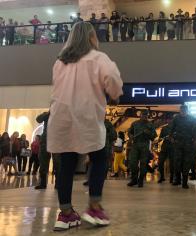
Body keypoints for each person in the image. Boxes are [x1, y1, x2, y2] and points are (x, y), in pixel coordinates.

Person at [47, 22, 123, 231]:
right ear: (92, 38)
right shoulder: (98, 58)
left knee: (66, 164)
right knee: (99, 158)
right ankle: (94, 207)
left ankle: (66, 214)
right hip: (86, 116)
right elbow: (113, 81)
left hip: (61, 118)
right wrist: (115, 95)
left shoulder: (60, 62)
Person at [127, 110, 157, 188]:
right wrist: (131, 137)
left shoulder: (150, 125)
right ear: (140, 115)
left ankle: (140, 180)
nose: (145, 116)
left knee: (143, 164)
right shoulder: (135, 123)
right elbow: (129, 132)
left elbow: (153, 137)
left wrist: (148, 133)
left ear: (148, 116)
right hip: (135, 146)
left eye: (146, 115)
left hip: (145, 146)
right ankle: (134, 179)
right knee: (133, 163)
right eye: (143, 115)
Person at [170, 105, 196, 189]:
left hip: (188, 143)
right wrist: (171, 137)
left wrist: (195, 139)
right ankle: (177, 179)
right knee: (177, 162)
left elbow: (195, 130)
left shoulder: (191, 118)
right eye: (182, 110)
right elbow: (172, 129)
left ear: (187, 110)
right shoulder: (176, 118)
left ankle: (185, 182)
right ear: (180, 110)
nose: (183, 111)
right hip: (178, 143)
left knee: (186, 162)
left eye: (184, 110)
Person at [35, 111, 60, 190]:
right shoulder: (47, 114)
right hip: (45, 141)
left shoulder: (60, 113)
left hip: (56, 141)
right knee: (43, 163)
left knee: (57, 164)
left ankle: (58, 184)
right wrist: (47, 113)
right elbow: (38, 119)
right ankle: (42, 183)